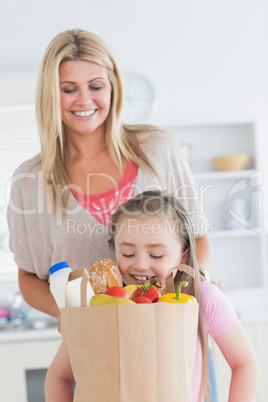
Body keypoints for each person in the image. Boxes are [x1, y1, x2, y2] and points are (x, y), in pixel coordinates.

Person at [7, 28, 212, 323]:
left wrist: (188, 292)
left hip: (171, 330)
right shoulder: (29, 180)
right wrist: (67, 315)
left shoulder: (158, 149)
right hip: (92, 343)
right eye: (68, 89)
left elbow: (199, 241)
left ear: (113, 87)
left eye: (95, 85)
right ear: (51, 94)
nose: (84, 100)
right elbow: (28, 277)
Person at [44, 190, 259, 402]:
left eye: (156, 254)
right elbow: (59, 377)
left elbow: (245, 363)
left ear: (182, 256)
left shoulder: (202, 297)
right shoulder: (102, 305)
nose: (140, 264)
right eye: (128, 253)